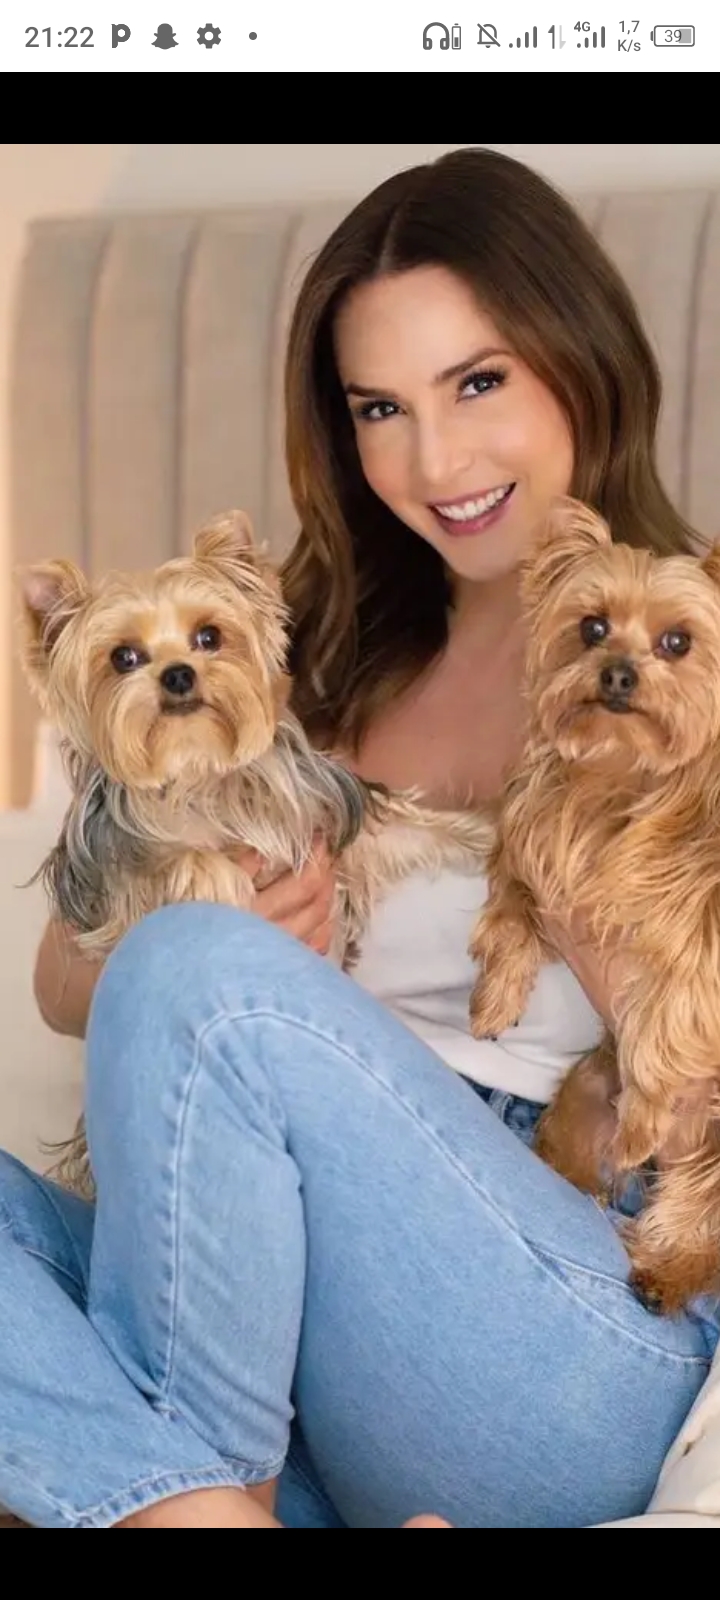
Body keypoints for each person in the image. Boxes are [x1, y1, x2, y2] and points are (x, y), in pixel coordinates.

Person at [0, 146, 715, 1531]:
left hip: (562, 1311)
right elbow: (62, 978)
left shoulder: (691, 655)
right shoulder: (300, 654)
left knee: (196, 971)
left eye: (478, 383)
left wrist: (580, 873)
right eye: (381, 408)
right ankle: (203, 1510)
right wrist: (196, 941)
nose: (434, 461)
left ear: (583, 361)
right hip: (271, 1313)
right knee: (184, 965)